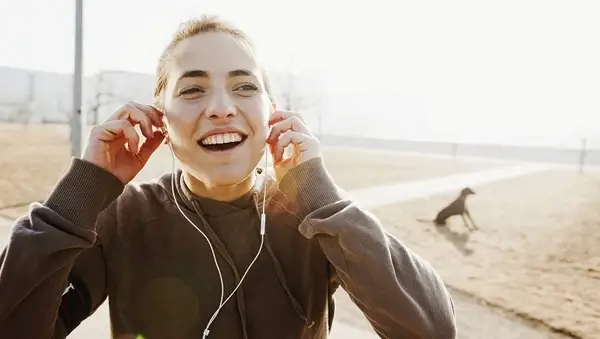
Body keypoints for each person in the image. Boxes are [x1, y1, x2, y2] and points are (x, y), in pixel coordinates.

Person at [0, 16, 457, 339]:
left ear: (273, 113)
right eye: (193, 89)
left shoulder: (316, 220)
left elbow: (431, 329)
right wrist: (80, 194)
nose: (221, 106)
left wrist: (319, 195)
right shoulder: (122, 219)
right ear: (160, 119)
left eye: (245, 86)